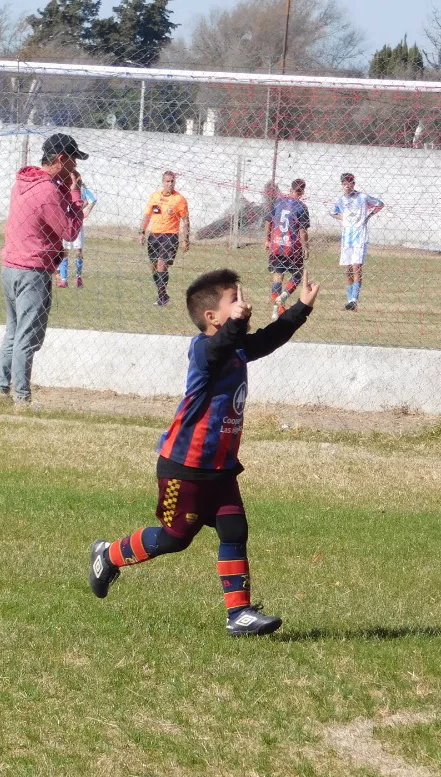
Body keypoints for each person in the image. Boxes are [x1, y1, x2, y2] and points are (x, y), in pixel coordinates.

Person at [87, 268, 322, 637]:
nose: (245, 305)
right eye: (235, 301)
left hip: (221, 468)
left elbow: (271, 337)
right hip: (185, 467)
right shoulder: (203, 349)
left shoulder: (239, 348)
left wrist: (301, 308)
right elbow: (217, 350)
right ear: (212, 317)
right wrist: (235, 326)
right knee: (174, 538)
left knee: (234, 531)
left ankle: (239, 615)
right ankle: (108, 554)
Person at [0, 132, 86, 406]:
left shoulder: (24, 183)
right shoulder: (47, 191)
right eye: (73, 160)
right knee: (28, 337)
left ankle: (2, 389)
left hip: (10, 268)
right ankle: (21, 397)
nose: (76, 167)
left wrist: (64, 187)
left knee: (13, 332)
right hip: (32, 272)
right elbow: (70, 231)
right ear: (61, 159)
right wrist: (76, 192)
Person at [330, 172, 384, 311]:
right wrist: (344, 218)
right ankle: (350, 302)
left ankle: (354, 299)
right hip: (346, 238)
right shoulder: (341, 200)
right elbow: (333, 212)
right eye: (344, 183)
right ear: (342, 184)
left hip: (360, 237)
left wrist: (369, 215)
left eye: (349, 182)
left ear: (353, 183)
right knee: (347, 269)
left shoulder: (363, 197)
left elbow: (380, 204)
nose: (347, 185)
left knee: (356, 268)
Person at [138, 171, 191, 307]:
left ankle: (161, 298)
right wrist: (142, 231)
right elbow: (147, 215)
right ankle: (164, 294)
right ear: (163, 182)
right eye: (167, 181)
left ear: (175, 182)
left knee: (162, 264)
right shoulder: (155, 196)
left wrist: (185, 239)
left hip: (170, 236)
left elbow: (185, 221)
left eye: (172, 181)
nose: (170, 184)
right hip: (154, 235)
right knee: (154, 266)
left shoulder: (179, 199)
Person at [265, 179, 309, 319]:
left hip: (277, 245)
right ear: (302, 191)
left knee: (277, 277)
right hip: (293, 248)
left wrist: (267, 240)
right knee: (297, 276)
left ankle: (275, 310)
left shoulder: (278, 202)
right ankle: (283, 297)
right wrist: (305, 247)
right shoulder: (301, 207)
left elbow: (268, 221)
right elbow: (302, 230)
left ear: (291, 189)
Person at [58, 171, 97, 288]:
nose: (72, 180)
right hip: (65, 223)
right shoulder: (63, 188)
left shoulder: (82, 190)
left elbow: (93, 199)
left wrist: (86, 210)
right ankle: (64, 280)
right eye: (70, 178)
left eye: (74, 177)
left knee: (78, 251)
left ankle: (78, 278)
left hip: (77, 224)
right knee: (64, 251)